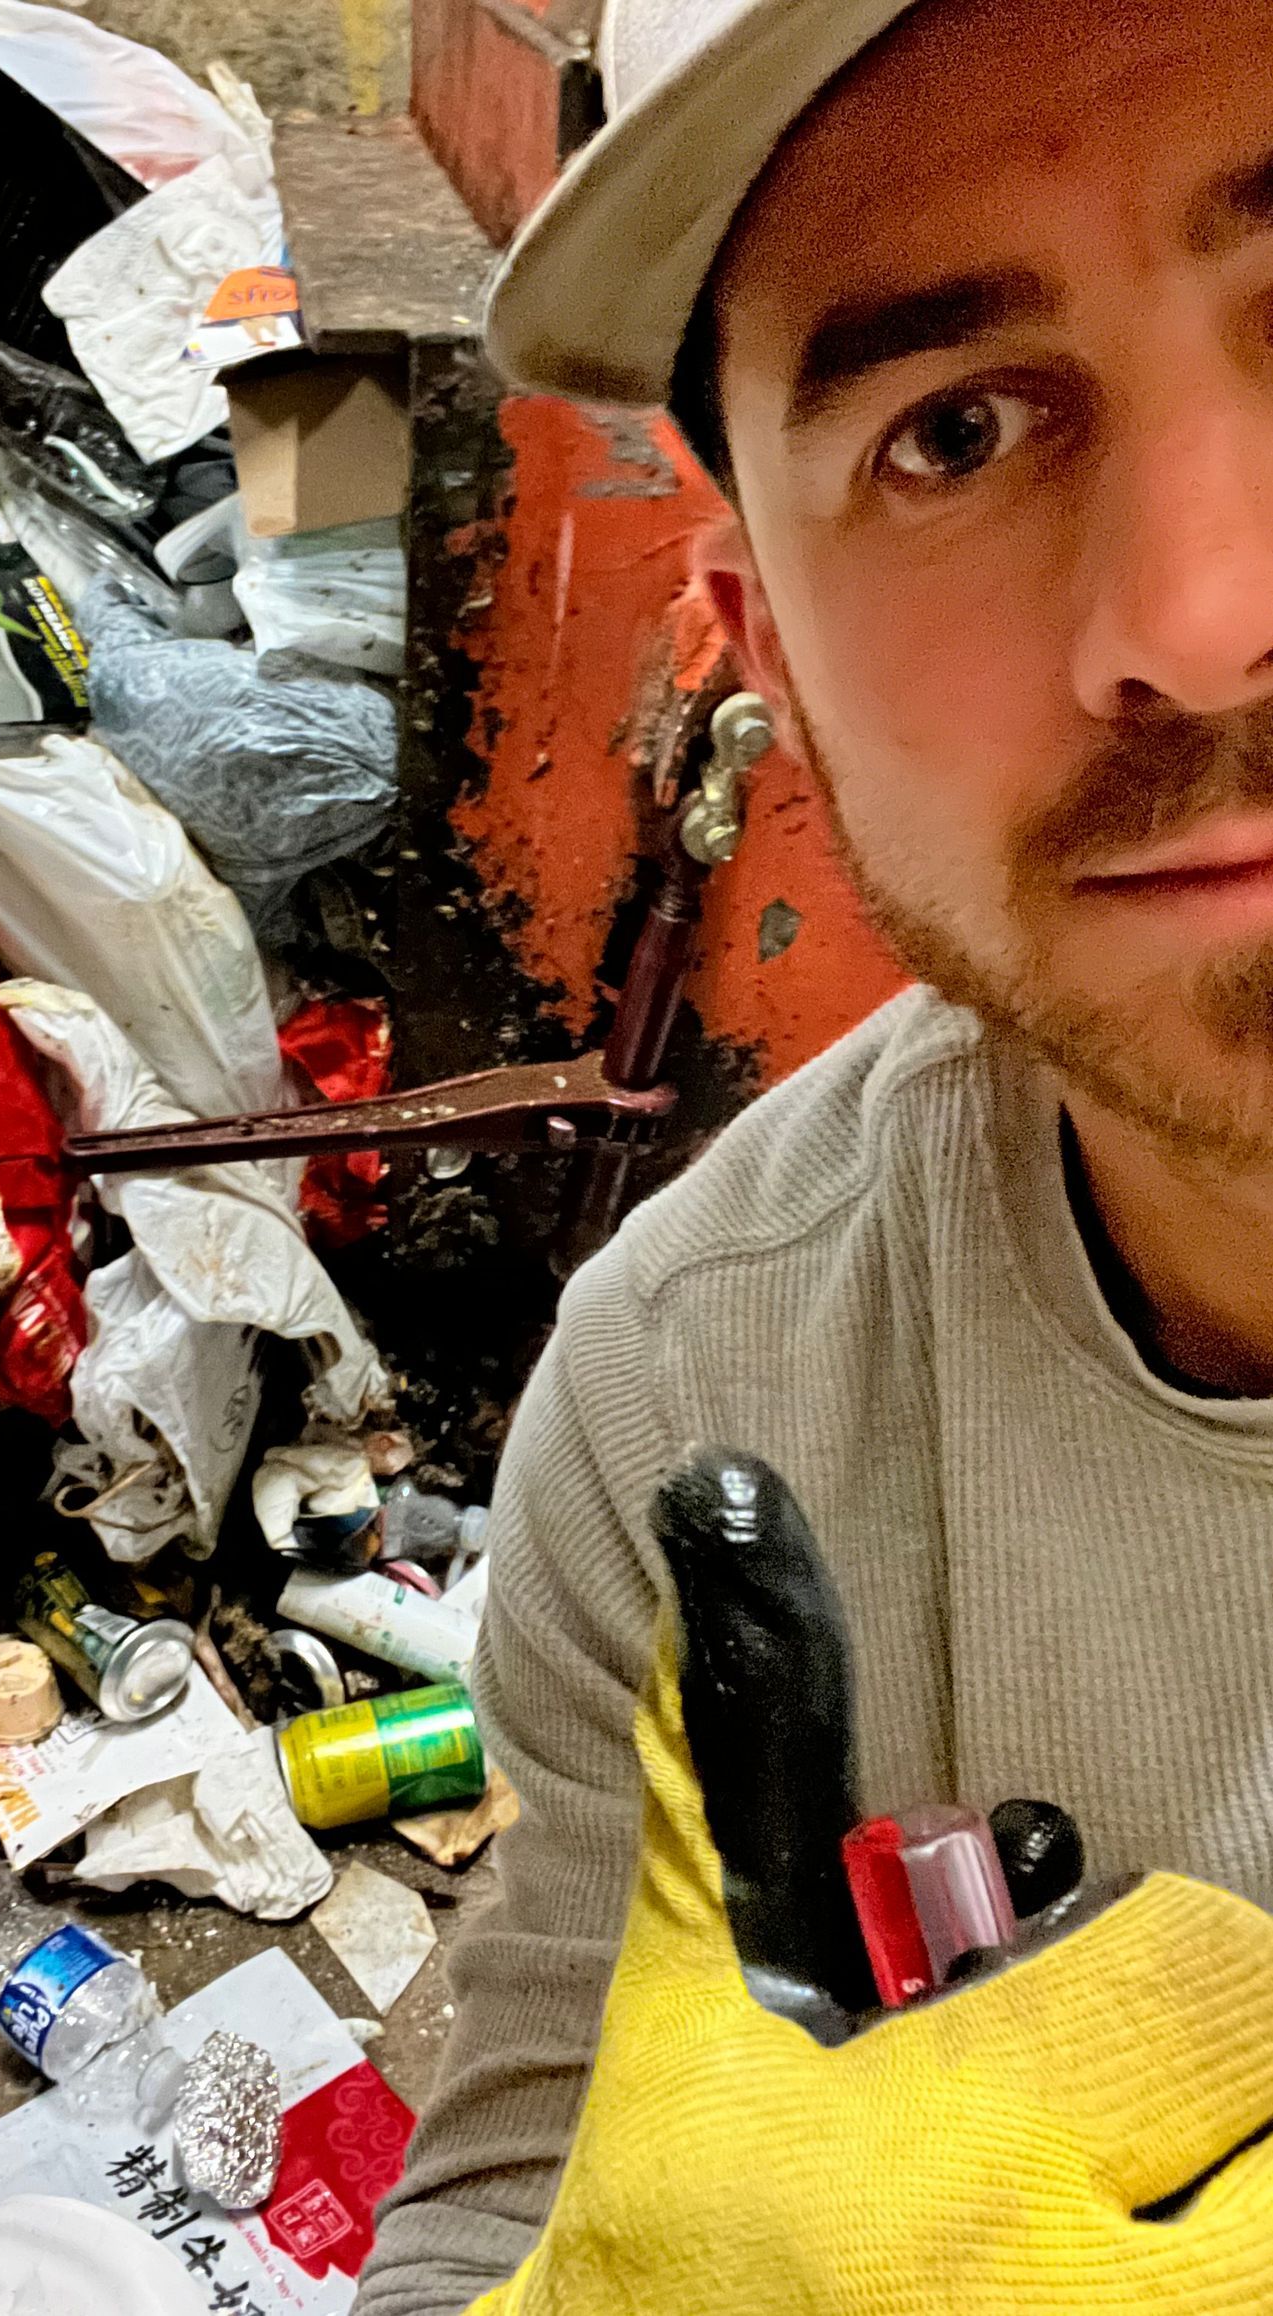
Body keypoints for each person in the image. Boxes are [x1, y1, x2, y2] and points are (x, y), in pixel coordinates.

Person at [354, 0, 1273, 2309]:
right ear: (762, 649)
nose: (1197, 617)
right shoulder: (691, 1401)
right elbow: (518, 2180)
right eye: (949, 431)